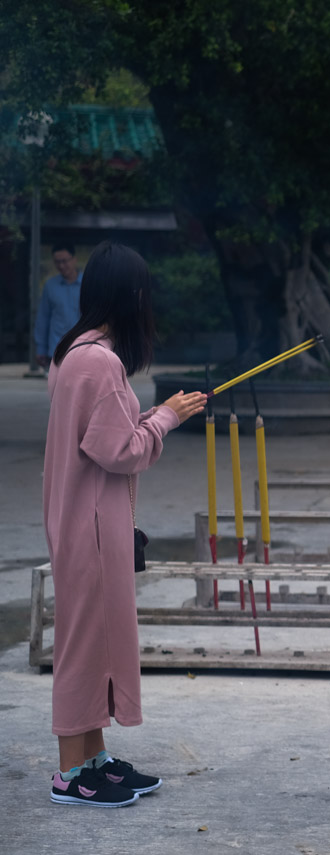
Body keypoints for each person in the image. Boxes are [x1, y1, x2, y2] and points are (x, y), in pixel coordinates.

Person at [43, 241, 207, 807]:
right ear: (132, 297)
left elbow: (98, 432)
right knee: (85, 644)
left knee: (96, 641)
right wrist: (166, 417)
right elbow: (119, 451)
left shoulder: (73, 352)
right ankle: (70, 773)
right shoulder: (102, 361)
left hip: (78, 516)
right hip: (92, 524)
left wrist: (144, 418)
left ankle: (93, 758)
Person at [35, 242, 83, 370]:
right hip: (56, 349)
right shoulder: (50, 286)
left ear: (74, 259)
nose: (61, 265)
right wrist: (41, 348)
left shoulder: (88, 284)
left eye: (65, 261)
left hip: (82, 348)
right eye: (57, 262)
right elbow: (43, 318)